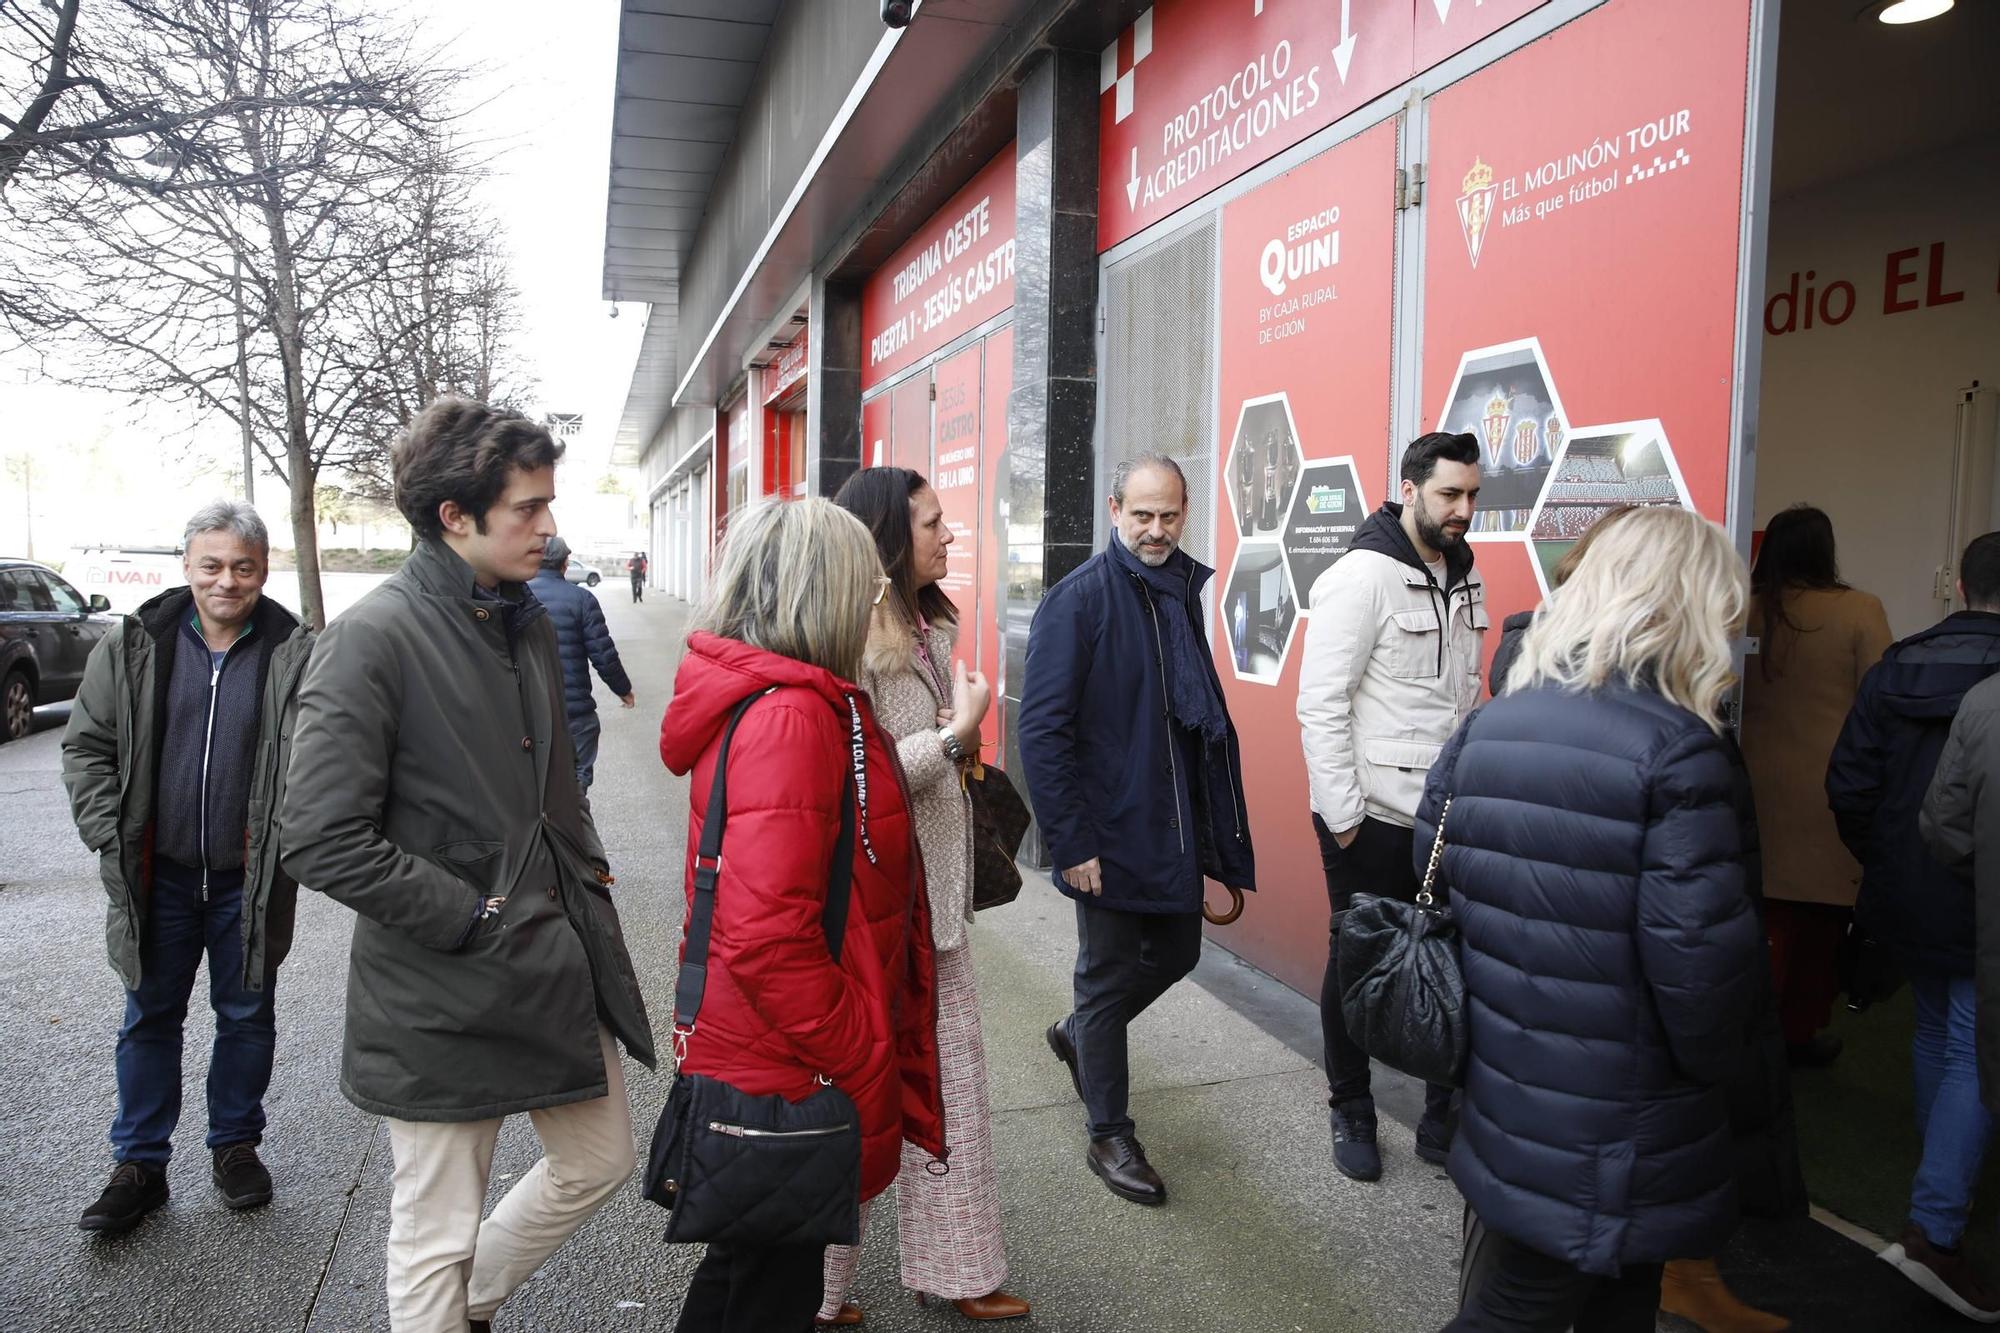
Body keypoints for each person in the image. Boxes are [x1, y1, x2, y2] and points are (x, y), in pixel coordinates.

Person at [280, 399, 653, 1333]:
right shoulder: (372, 639)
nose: (550, 526)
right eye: (528, 507)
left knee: (600, 1159)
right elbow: (317, 833)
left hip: (544, 958)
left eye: (547, 504)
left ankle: (465, 1300)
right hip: (441, 982)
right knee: (433, 1229)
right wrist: (467, 913)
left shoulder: (520, 617)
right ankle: (446, 1299)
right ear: (456, 515)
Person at [1428, 507, 1766, 1331]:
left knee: (1617, 1299)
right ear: (1688, 608)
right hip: (1620, 1115)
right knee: (1522, 1306)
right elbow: (1704, 984)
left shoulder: (1490, 725)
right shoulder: (1680, 751)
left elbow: (1433, 870)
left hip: (1513, 1081)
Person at [658, 496, 947, 1333]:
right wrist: (860, 1038)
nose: (873, 601)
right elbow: (765, 934)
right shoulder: (791, 715)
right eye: (863, 584)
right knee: (763, 1289)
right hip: (790, 1060)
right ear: (819, 594)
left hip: (769, 1046)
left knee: (749, 1273)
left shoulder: (789, 699)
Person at [61, 501, 313, 1233]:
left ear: (264, 569)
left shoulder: (294, 651)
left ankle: (235, 1145)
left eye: (243, 566)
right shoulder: (136, 643)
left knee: (246, 1015)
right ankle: (140, 1163)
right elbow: (87, 747)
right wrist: (110, 835)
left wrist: (293, 842)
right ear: (188, 567)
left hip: (249, 877)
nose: (226, 580)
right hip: (156, 875)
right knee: (148, 1016)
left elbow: (326, 762)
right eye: (212, 565)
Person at [815, 468, 1026, 1325]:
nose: (951, 536)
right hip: (877, 910)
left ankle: (959, 1268)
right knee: (860, 1099)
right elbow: (851, 781)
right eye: (935, 524)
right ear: (888, 538)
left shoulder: (930, 618)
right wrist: (954, 736)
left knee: (956, 1094)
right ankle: (817, 1294)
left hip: (936, 904)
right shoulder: (847, 641)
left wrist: (957, 742)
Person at [1019, 453, 1256, 1207]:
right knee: (1109, 970)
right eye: (1142, 515)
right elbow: (1042, 731)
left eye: (1170, 515)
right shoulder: (1081, 599)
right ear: (1115, 508)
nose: (1156, 530)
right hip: (1110, 832)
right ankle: (1109, 1133)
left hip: (1173, 824)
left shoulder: (1179, 589)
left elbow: (1190, 722)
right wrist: (1073, 840)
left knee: (1179, 951)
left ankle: (1081, 1030)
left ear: (1184, 513)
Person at [1297, 431, 1485, 1182]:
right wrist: (1345, 818)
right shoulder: (1361, 576)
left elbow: (1465, 696)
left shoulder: (1466, 574)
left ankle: (1442, 1117)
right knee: (1358, 961)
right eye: (1449, 493)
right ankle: (1352, 1107)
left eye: (1471, 494)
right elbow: (1321, 704)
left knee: (1452, 960)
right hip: (1368, 814)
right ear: (1409, 488)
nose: (1463, 509)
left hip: (1445, 819)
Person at [1829, 531, 2000, 1322]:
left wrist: (1887, 858)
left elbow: (1850, 779)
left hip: (1909, 882)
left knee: (1936, 1029)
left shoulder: (1898, 664)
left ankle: (1942, 1176)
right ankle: (1936, 1224)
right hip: (1980, 890)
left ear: (1961, 584)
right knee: (1971, 1038)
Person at [1740, 504, 1892, 1066]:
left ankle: (1750, 1040)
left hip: (1749, 783)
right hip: (1830, 789)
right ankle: (1798, 1034)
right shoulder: (1860, 610)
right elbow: (1882, 701)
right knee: (1822, 928)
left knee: (1760, 921)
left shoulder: (1743, 609)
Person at [529, 535, 636, 793]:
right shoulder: (581, 600)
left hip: (528, 712)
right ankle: (575, 822)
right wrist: (623, 689)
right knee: (577, 785)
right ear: (565, 564)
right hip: (574, 714)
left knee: (535, 787)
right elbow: (603, 654)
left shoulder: (516, 597)